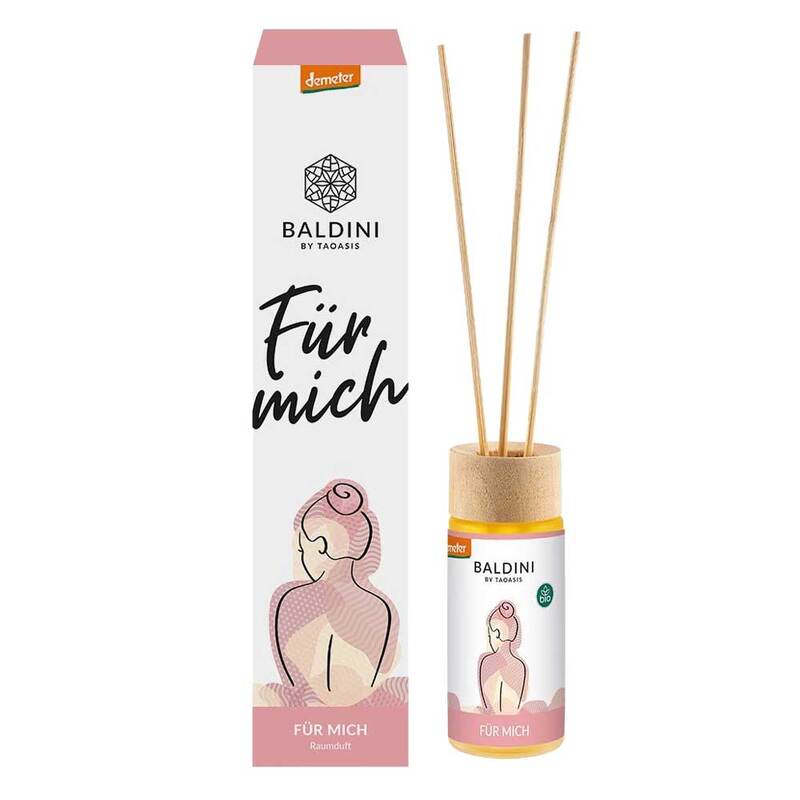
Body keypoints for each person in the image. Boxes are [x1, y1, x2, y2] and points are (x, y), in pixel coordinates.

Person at [259, 480, 405, 708]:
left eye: (303, 548)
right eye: (298, 547)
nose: (298, 556)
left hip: (329, 713)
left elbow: (305, 686)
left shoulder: (290, 601)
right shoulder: (383, 609)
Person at [478, 601, 528, 714]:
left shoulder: (489, 662)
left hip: (492, 719)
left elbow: (491, 707)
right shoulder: (521, 666)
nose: (489, 639)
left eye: (489, 634)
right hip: (519, 719)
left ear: (498, 634)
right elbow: (517, 705)